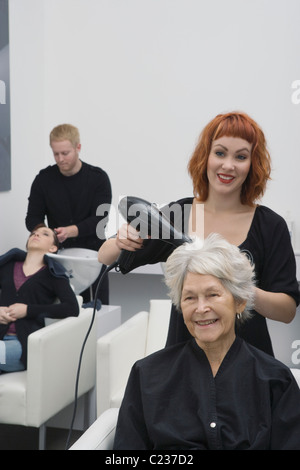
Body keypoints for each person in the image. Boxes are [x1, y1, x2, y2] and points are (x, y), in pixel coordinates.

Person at [98, 111, 299, 356]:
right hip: (184, 360)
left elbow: (287, 310)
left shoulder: (270, 226)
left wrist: (236, 285)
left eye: (241, 156)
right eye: (220, 153)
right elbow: (104, 257)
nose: (228, 165)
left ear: (252, 164)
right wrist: (121, 240)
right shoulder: (178, 216)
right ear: (206, 156)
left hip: (248, 366)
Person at [114, 234, 300, 450]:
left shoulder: (276, 380)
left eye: (212, 295)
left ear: (239, 302)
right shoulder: (146, 374)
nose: (201, 309)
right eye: (190, 298)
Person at [25, 124, 112, 304]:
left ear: (78, 147)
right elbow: (32, 218)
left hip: (93, 258)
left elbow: (99, 220)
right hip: (58, 259)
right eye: (56, 154)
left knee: (98, 314)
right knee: (59, 315)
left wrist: (70, 231)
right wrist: (46, 234)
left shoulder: (98, 178)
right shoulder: (43, 179)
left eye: (65, 153)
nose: (60, 159)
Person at [0, 224, 79, 373]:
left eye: (45, 234)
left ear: (53, 248)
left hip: (21, 346)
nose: (36, 235)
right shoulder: (7, 266)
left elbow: (72, 308)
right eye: (33, 233)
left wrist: (28, 310)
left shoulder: (53, 274)